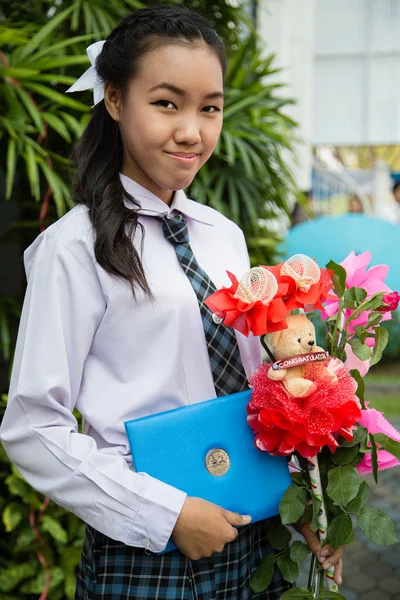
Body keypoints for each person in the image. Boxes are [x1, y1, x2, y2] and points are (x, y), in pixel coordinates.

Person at [0, 6, 343, 598]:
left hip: (254, 531)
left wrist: (310, 498)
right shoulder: (72, 249)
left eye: (209, 107)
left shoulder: (222, 234)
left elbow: (264, 385)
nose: (192, 131)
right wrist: (167, 514)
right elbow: (33, 426)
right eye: (166, 103)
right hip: (146, 552)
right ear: (114, 100)